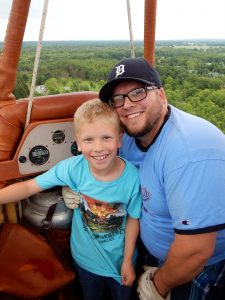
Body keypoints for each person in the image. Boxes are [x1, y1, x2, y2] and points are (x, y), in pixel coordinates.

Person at [97, 57, 225, 300]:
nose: (127, 105)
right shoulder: (134, 136)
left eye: (138, 92)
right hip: (154, 245)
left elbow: (196, 251)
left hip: (201, 266)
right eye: (118, 99)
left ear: (162, 95)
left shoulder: (190, 152)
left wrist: (157, 285)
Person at [0, 98, 142, 300]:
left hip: (120, 262)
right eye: (89, 140)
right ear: (78, 142)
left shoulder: (132, 178)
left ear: (120, 139)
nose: (98, 148)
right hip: (85, 261)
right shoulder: (72, 169)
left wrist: (128, 259)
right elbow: (30, 186)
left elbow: (133, 219)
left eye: (106, 138)